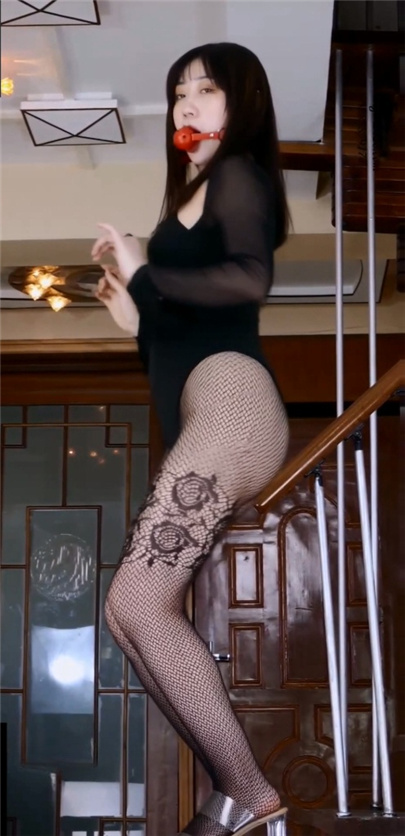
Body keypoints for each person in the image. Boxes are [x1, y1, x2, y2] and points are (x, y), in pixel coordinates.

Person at [91, 42, 291, 836]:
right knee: (125, 618)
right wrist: (135, 318)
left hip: (234, 402)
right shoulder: (192, 191)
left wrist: (144, 272)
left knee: (136, 600)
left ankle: (250, 794)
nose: (185, 101)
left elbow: (248, 280)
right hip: (206, 400)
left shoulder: (238, 172)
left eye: (205, 88)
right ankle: (229, 793)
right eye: (178, 90)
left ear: (242, 102)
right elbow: (182, 340)